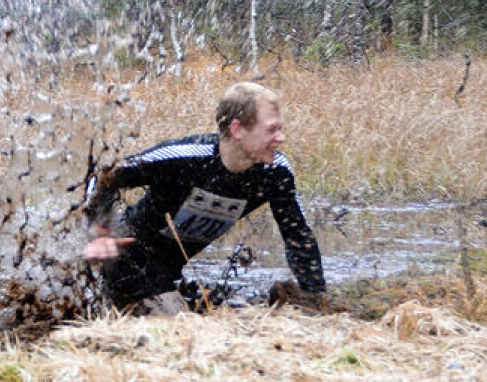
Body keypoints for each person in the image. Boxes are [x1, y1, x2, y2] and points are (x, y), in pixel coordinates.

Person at [83, 82, 327, 310]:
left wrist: (315, 298)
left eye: (280, 129)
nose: (281, 138)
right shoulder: (185, 158)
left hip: (169, 269)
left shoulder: (275, 173)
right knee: (179, 326)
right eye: (271, 130)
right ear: (238, 129)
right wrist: (98, 233)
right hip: (126, 255)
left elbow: (298, 235)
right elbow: (103, 176)